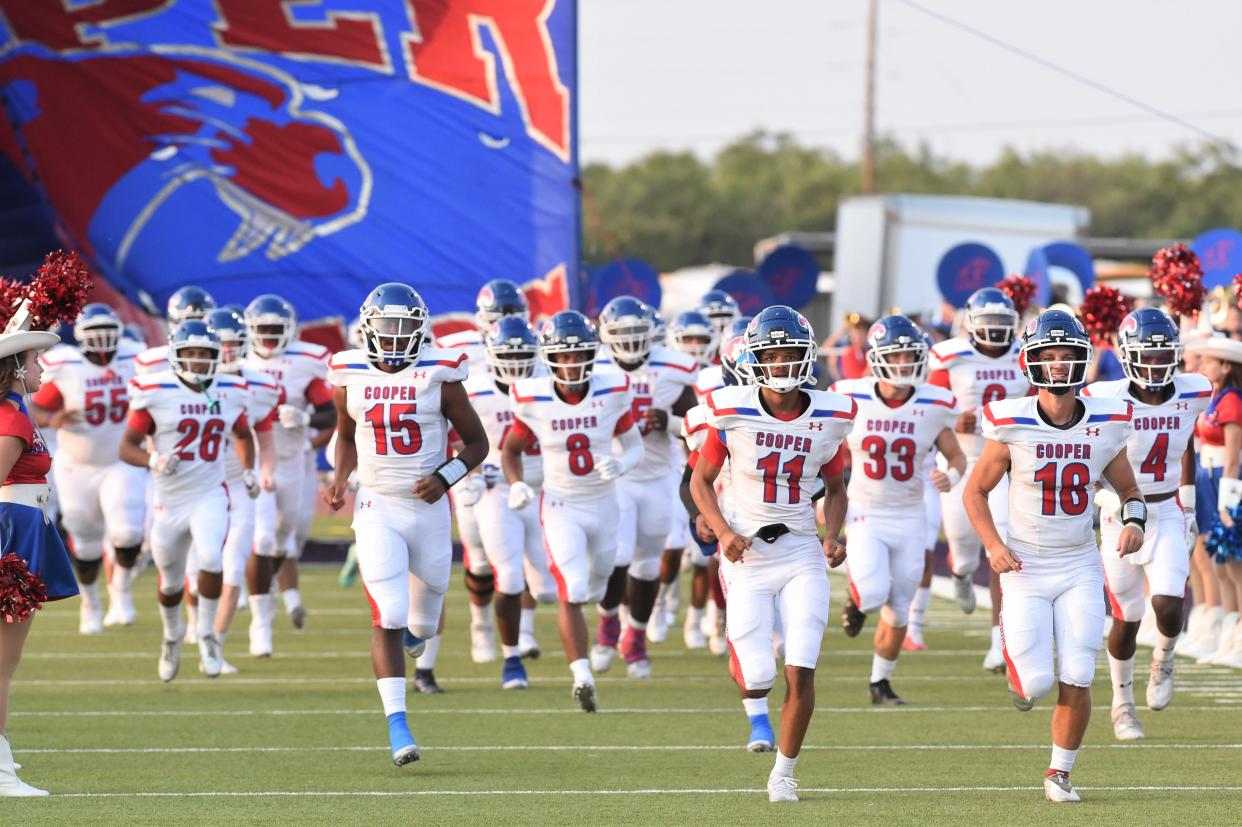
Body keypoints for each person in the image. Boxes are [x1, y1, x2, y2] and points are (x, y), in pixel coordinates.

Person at [964, 309, 1145, 803]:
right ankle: (1013, 656)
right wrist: (994, 546)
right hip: (1023, 563)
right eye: (1050, 356)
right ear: (1033, 361)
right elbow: (974, 493)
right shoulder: (1012, 421)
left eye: (1068, 357)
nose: (1060, 365)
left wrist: (1135, 521)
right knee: (1036, 683)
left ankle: (1059, 772)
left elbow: (1129, 489)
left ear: (1083, 360)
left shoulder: (1106, 424)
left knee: (1080, 670)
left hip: (1079, 561)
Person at [690, 305, 853, 803]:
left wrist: (835, 532)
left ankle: (784, 773)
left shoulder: (831, 415)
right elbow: (699, 481)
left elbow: (837, 485)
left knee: (801, 665)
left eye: (790, 354)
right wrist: (722, 532)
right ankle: (751, 691)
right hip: (748, 555)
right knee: (758, 676)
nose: (782, 364)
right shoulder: (731, 408)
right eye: (772, 354)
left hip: (802, 548)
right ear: (755, 359)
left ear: (807, 356)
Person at [325, 283, 487, 767]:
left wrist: (445, 476)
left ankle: (418, 638)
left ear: (420, 329)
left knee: (423, 618)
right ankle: (398, 724)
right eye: (387, 327)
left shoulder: (441, 373)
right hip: (377, 505)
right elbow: (345, 434)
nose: (395, 337)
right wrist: (340, 478)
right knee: (390, 614)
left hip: (429, 507)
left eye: (404, 327)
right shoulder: (347, 372)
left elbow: (476, 445)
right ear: (368, 329)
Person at [501, 310, 641, 712]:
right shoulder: (535, 399)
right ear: (549, 358)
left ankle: (604, 621)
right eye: (563, 356)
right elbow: (510, 449)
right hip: (561, 504)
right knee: (573, 589)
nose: (571, 363)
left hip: (604, 501)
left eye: (578, 354)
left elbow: (633, 445)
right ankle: (582, 675)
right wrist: (516, 485)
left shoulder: (611, 392)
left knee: (599, 582)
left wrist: (622, 463)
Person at [1083, 309, 1209, 738]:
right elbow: (1089, 455)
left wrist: (1188, 505)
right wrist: (1103, 497)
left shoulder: (1194, 392)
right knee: (1127, 617)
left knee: (1169, 603)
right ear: (1127, 355)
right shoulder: (1105, 396)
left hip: (1167, 508)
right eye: (1146, 357)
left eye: (1162, 357)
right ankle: (1122, 704)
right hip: (1119, 513)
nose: (1155, 366)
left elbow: (1187, 438)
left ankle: (1165, 659)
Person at [833, 316, 965, 704]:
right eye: (898, 356)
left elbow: (956, 456)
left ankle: (880, 683)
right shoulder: (850, 396)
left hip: (909, 514)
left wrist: (952, 476)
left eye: (911, 356)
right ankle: (857, 601)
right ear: (877, 359)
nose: (906, 364)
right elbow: (825, 450)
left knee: (900, 605)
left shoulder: (934, 404)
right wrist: (826, 497)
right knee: (873, 594)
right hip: (865, 511)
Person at [120, 321, 257, 681]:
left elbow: (244, 434)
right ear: (176, 355)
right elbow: (126, 446)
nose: (197, 361)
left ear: (216, 356)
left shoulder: (230, 389)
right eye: (190, 353)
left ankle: (208, 635)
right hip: (169, 500)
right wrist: (153, 460)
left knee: (212, 558)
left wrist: (249, 470)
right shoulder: (156, 390)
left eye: (204, 354)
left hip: (210, 493)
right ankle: (171, 636)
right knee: (170, 583)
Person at [591, 297, 698, 678]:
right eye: (622, 333)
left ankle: (635, 638)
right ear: (606, 336)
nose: (631, 341)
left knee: (648, 564)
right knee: (615, 559)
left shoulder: (673, 368)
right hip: (614, 477)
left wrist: (667, 420)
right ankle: (607, 629)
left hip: (657, 475)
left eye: (637, 333)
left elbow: (697, 426)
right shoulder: (593, 366)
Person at [929, 287, 1031, 672]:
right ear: (970, 324)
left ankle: (997, 641)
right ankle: (959, 572)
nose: (995, 332)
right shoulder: (951, 357)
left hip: (1005, 463)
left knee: (1000, 544)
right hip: (963, 458)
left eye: (1003, 324)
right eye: (988, 324)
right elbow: (931, 410)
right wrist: (953, 419)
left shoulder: (1025, 354)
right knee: (963, 548)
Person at [29, 304, 146, 633]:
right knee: (86, 538)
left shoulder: (134, 361)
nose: (102, 340)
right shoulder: (69, 367)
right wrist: (53, 419)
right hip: (77, 465)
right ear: (81, 336)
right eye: (94, 334)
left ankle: (120, 592)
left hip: (120, 461)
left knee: (127, 531)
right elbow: (35, 407)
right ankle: (91, 601)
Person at [0, 317, 78, 796]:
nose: (42, 367)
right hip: (11, 532)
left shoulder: (14, 410)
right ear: (14, 370)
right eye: (33, 360)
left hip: (22, 527)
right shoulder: (10, 417)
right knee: (3, 664)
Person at [459, 316, 556, 689]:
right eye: (506, 356)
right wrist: (466, 476)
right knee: (507, 574)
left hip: (547, 488)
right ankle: (511, 657)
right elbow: (456, 437)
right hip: (495, 488)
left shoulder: (549, 386)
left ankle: (527, 632)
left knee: (547, 588)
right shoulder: (476, 389)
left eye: (523, 356)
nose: (515, 365)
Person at [440, 279, 531, 664]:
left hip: (520, 457)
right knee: (477, 554)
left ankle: (523, 632)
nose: (508, 322)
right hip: (472, 453)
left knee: (522, 549)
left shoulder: (534, 344)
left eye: (513, 315)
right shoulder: (457, 349)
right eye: (501, 315)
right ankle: (480, 626)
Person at [244, 294, 334, 651]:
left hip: (295, 459)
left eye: (274, 329)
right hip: (256, 459)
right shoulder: (237, 360)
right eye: (262, 328)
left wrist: (306, 418)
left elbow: (331, 412)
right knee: (264, 538)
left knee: (285, 540)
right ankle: (260, 624)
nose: (267, 335)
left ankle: (272, 592)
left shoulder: (305, 363)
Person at [204, 309, 280, 671]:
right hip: (195, 485)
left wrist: (264, 472)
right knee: (195, 565)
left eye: (235, 344)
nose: (229, 351)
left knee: (234, 565)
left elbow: (265, 438)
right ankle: (191, 631)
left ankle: (214, 646)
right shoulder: (185, 383)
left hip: (238, 483)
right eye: (222, 344)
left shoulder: (260, 386)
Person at [1185, 334, 1242, 666]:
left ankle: (1236, 636)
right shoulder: (1218, 397)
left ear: (1225, 366)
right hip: (1208, 477)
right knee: (1218, 561)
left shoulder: (1233, 400)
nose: (1203, 366)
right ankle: (1224, 632)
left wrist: (1228, 501)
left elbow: (1234, 459)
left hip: (1226, 480)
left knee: (1233, 563)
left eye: (1209, 362)